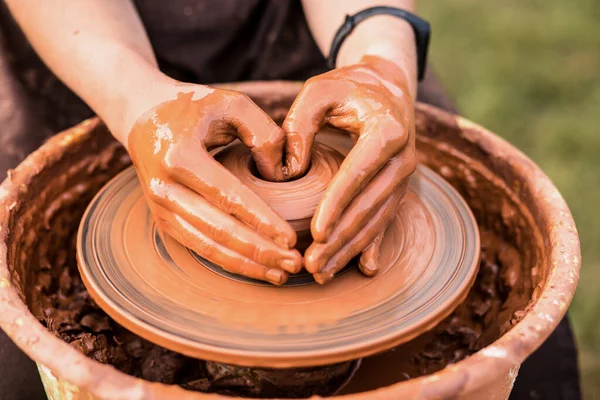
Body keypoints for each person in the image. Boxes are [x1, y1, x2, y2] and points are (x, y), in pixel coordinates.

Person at [0, 1, 580, 399]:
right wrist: (136, 104)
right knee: (16, 364)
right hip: (87, 55)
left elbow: (374, 43)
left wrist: (380, 62)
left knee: (535, 352)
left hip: (316, 47)